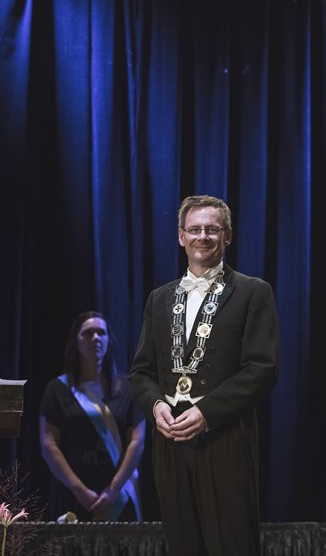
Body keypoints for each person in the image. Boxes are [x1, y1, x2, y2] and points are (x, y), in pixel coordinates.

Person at [130, 195, 279, 555]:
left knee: (232, 544)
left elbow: (263, 368)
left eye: (212, 229)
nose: (203, 236)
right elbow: (141, 371)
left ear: (228, 236)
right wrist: (156, 407)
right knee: (182, 544)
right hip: (170, 439)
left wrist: (206, 412)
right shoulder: (159, 298)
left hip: (224, 436)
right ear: (181, 236)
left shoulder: (253, 291)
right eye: (194, 229)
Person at [39, 311, 145, 521]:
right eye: (87, 333)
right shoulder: (57, 389)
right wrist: (79, 490)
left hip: (119, 495)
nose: (95, 338)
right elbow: (48, 444)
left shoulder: (128, 387)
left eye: (101, 333)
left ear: (108, 340)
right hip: (72, 494)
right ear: (75, 342)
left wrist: (113, 490)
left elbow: (137, 441)